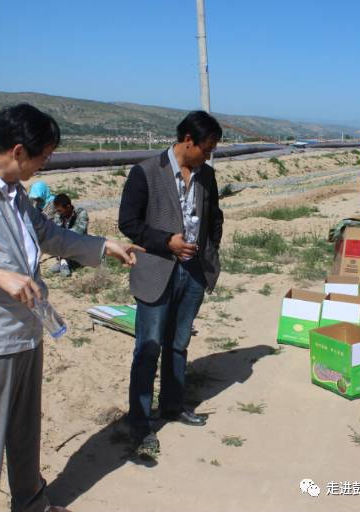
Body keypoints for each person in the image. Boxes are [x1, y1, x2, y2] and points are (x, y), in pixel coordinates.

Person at [0, 103, 142, 512]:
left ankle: (31, 502)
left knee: (25, 431)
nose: (46, 163)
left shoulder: (14, 194)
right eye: (45, 156)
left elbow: (49, 235)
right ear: (19, 151)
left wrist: (103, 246)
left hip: (25, 332)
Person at [118, 111, 223, 456]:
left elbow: (214, 216)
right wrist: (167, 243)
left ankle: (173, 407)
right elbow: (128, 223)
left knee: (178, 344)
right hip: (157, 271)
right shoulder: (145, 172)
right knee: (148, 348)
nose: (209, 155)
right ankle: (140, 424)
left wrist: (210, 251)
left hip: (193, 272)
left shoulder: (207, 175)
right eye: (206, 148)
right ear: (188, 140)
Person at [50, 193, 89, 277]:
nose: (58, 212)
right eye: (57, 210)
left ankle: (64, 262)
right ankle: (65, 261)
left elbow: (79, 232)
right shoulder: (59, 215)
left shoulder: (81, 213)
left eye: (60, 210)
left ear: (68, 207)